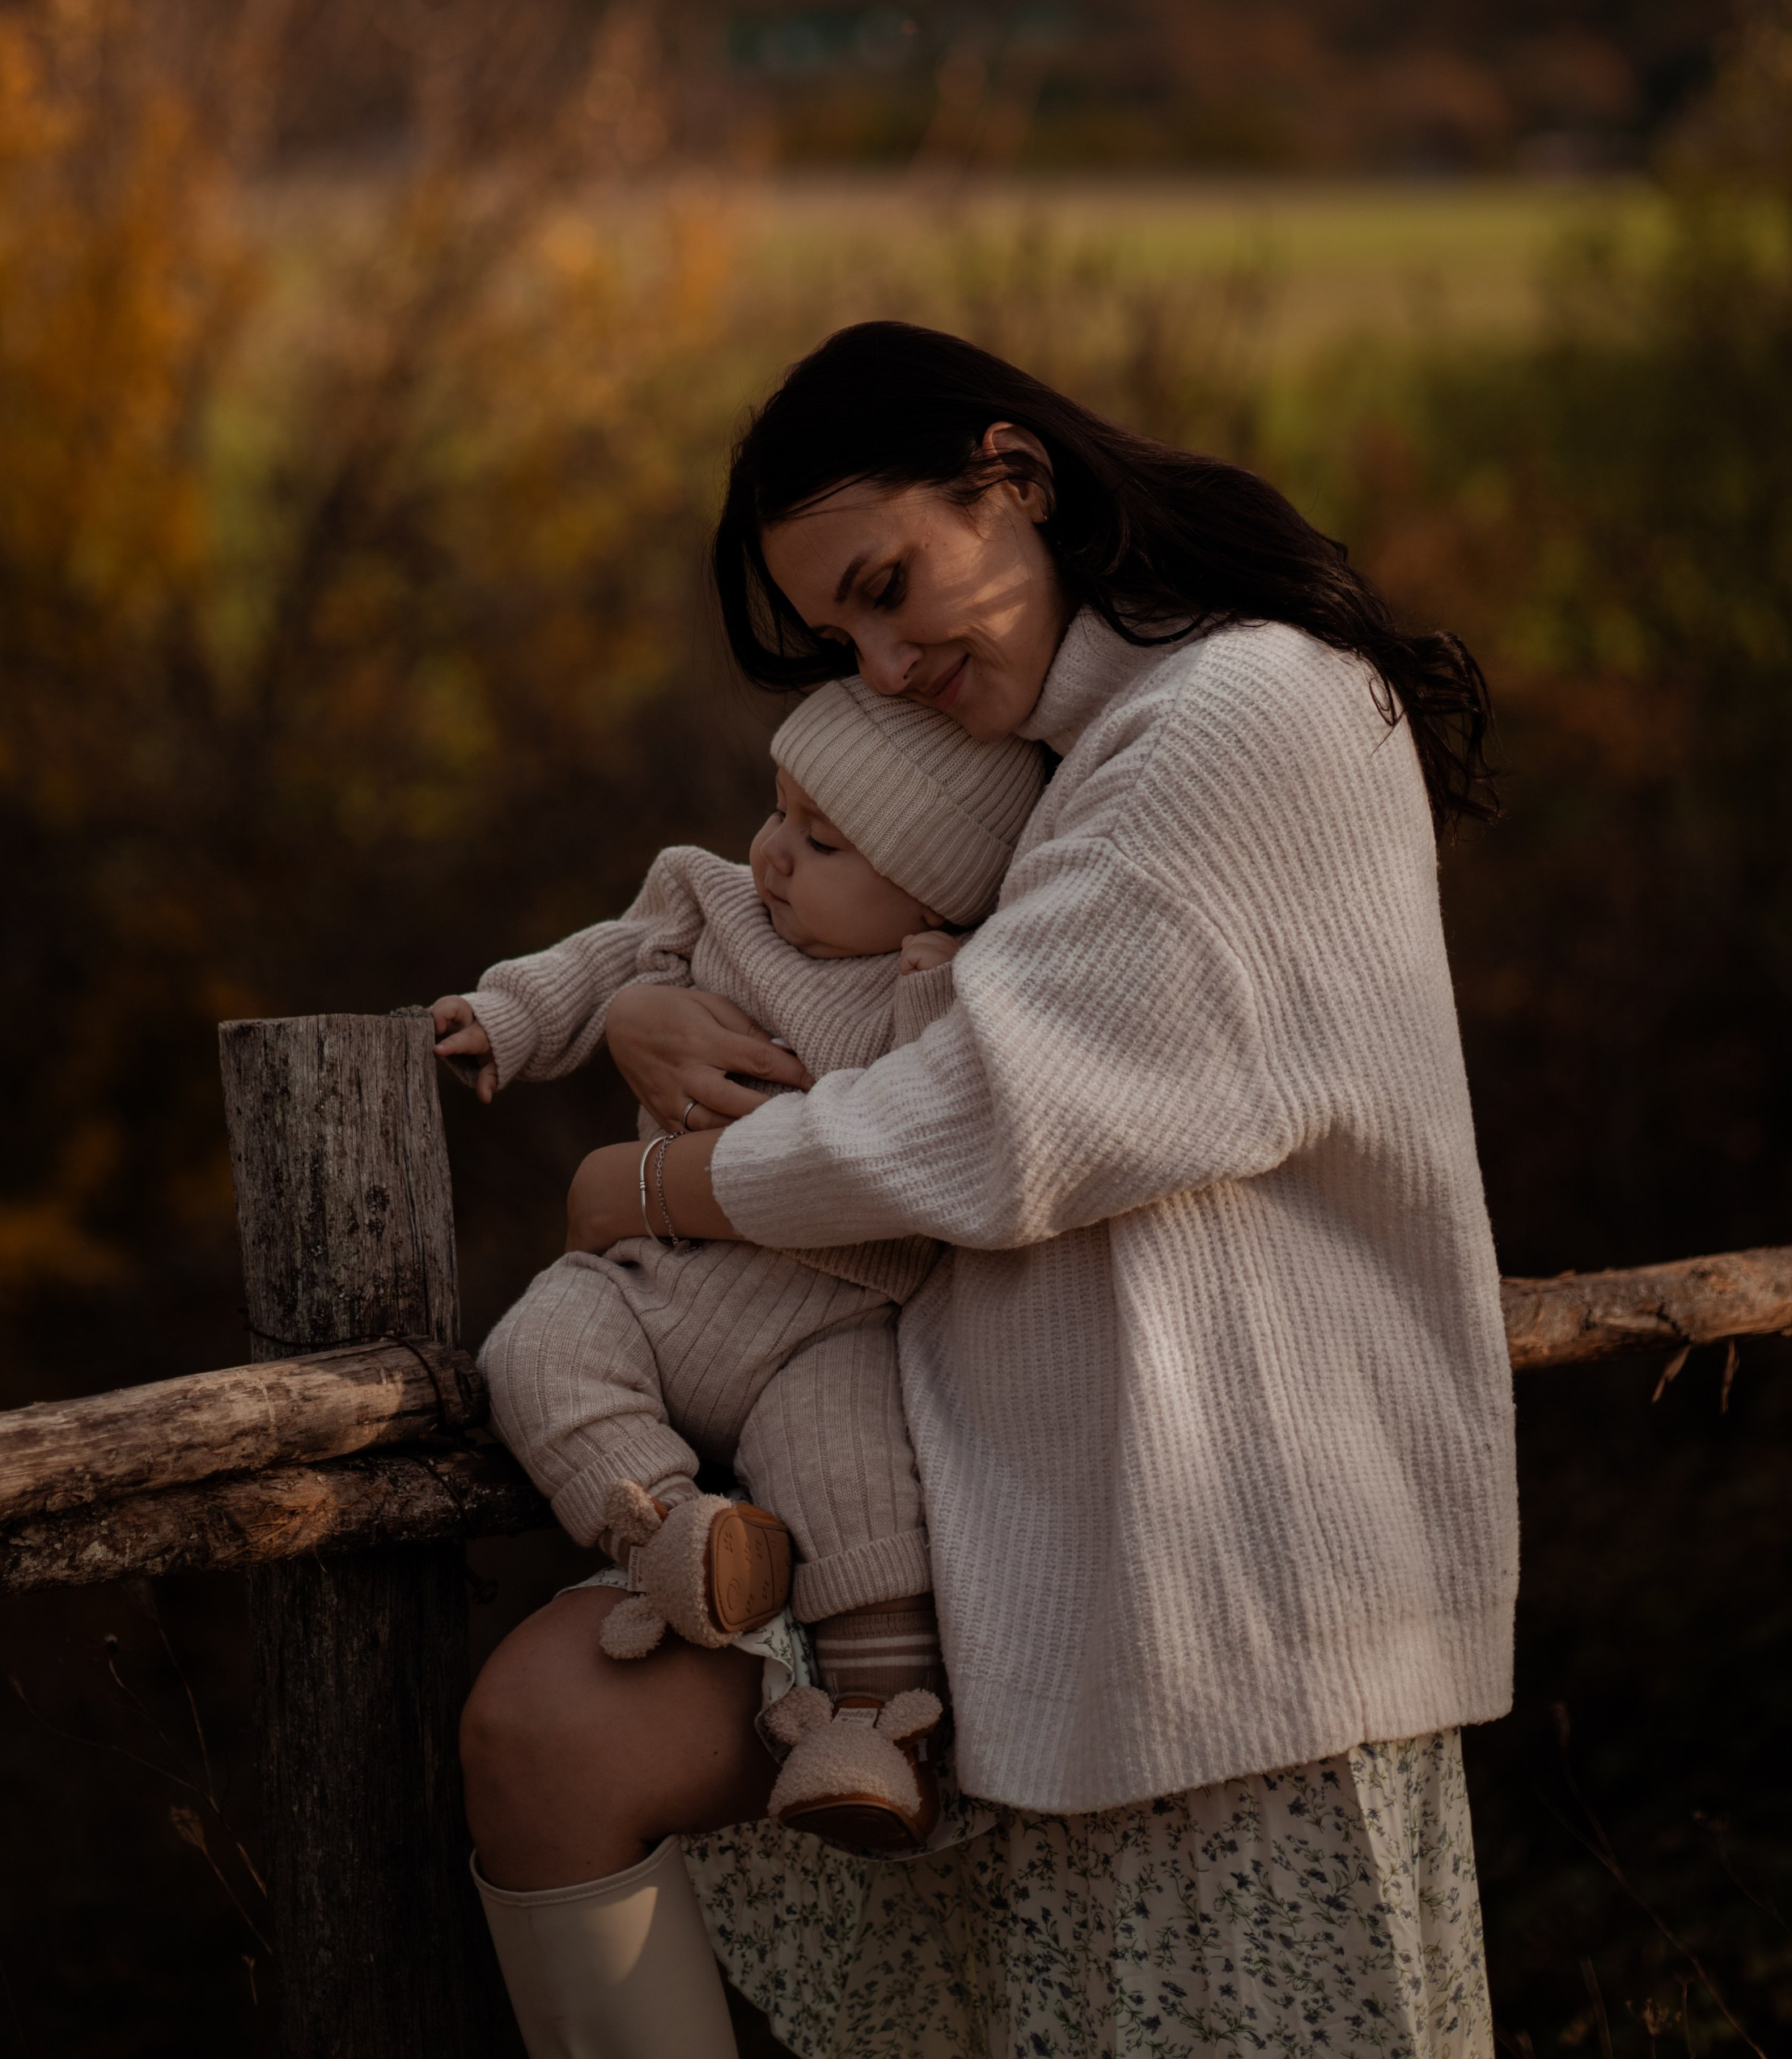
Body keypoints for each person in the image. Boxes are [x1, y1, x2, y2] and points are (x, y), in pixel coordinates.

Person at [460, 319, 1518, 2059]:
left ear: (1010, 478)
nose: (876, 664)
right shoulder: (1054, 753)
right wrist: (661, 992)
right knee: (549, 1732)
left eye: (889, 586)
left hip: (1213, 1575)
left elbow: (995, 1117)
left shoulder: (1238, 714)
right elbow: (862, 991)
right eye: (837, 635)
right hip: (1004, 1541)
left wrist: (649, 1182)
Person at [433, 675, 1045, 1885]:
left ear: (931, 891)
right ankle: (673, 1528)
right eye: (779, 812)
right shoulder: (712, 904)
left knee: (861, 1490)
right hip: (653, 1280)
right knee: (534, 1352)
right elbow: (603, 961)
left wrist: (938, 983)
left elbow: (939, 1134)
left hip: (825, 1329)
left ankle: (876, 1733)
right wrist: (508, 1015)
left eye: (822, 843)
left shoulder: (946, 988)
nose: (773, 855)